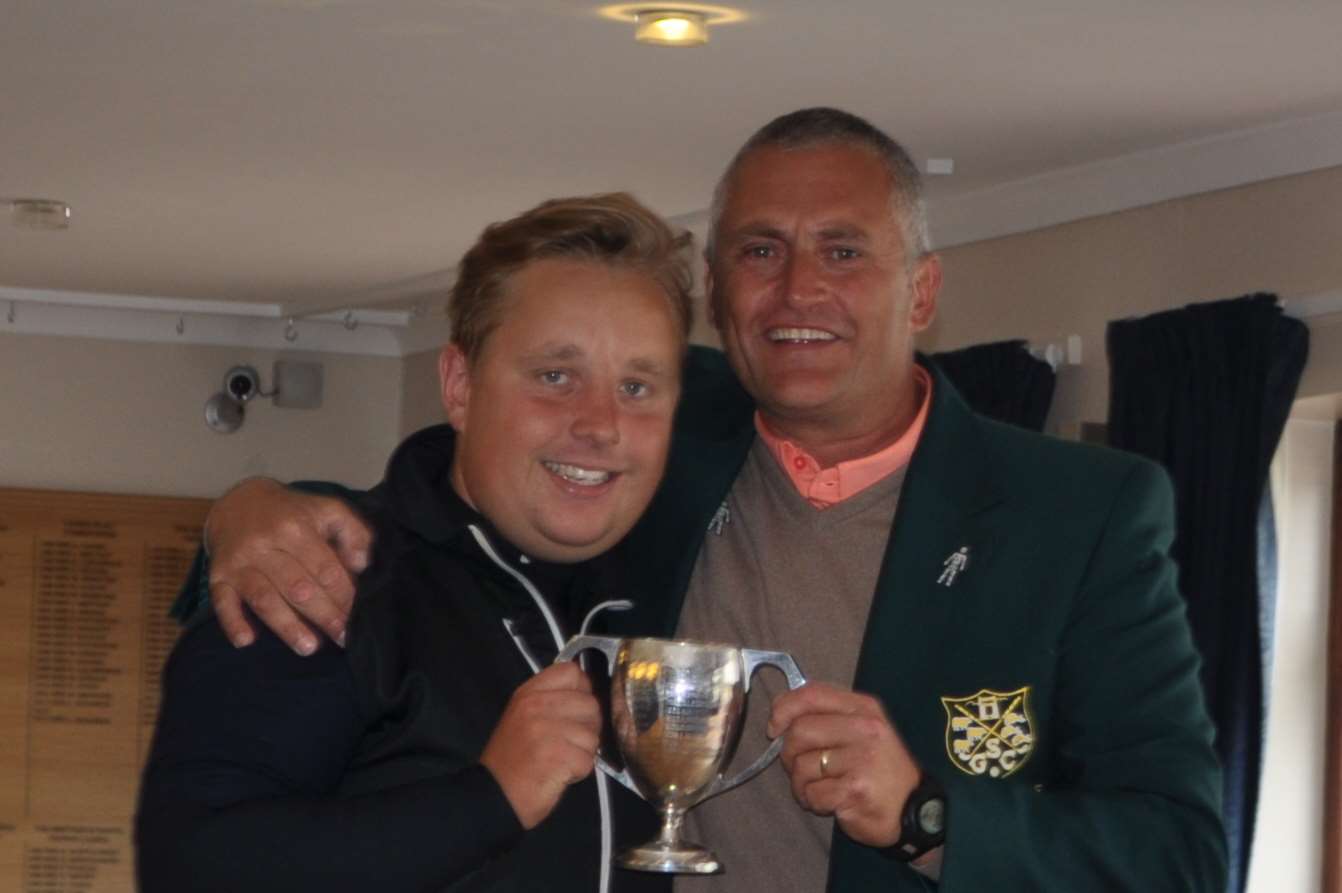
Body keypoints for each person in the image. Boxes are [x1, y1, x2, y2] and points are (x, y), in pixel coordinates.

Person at [179, 108, 1229, 891]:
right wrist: (259, 503)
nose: (797, 290)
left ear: (921, 289)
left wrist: (925, 812)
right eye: (759, 251)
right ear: (720, 295)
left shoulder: (1081, 512)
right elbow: (452, 484)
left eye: (845, 251)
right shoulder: (656, 441)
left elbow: (1179, 851)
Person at [136, 193, 695, 893]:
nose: (602, 424)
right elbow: (192, 865)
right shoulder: (321, 580)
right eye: (556, 376)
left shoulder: (663, 588)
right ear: (459, 385)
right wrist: (490, 799)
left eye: (638, 386)